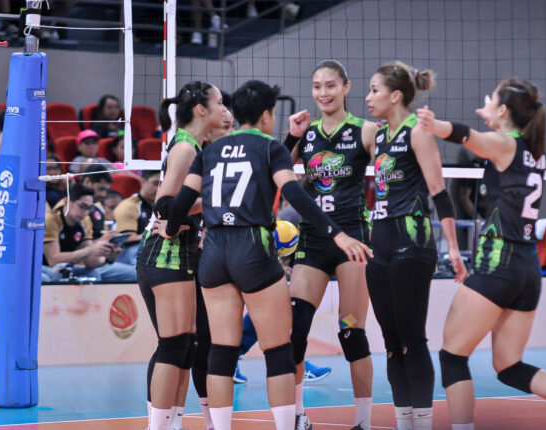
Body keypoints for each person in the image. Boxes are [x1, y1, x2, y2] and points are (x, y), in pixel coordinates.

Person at [156, 79, 371, 430]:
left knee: (221, 351)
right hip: (252, 248)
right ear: (268, 115)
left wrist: (170, 226)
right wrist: (337, 233)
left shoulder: (209, 150)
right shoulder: (271, 147)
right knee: (278, 351)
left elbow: (178, 204)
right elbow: (295, 195)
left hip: (214, 251)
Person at [417, 78, 546, 430]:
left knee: (452, 357)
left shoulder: (505, 145)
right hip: (527, 268)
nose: (487, 103)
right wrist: (493, 117)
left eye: (493, 100)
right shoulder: (533, 150)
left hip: (499, 262)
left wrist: (434, 125)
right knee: (509, 366)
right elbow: (490, 140)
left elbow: (466, 136)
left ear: (505, 110)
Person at [363, 61, 467, 430]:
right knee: (391, 343)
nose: (368, 97)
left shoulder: (418, 132)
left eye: (374, 90)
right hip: (379, 245)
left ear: (395, 96)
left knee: (412, 339)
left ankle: (422, 423)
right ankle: (403, 422)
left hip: (412, 242)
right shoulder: (377, 136)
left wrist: (453, 248)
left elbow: (439, 192)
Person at [281, 59, 377, 430]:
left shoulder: (365, 130)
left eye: (331, 85)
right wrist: (292, 135)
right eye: (318, 86)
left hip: (352, 241)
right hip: (313, 238)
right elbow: (276, 168)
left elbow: (392, 170)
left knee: (351, 331)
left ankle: (363, 422)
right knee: (295, 331)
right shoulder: (306, 133)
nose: (323, 93)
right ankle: (297, 415)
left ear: (346, 87)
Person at [136, 81, 227, 430]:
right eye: (220, 103)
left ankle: (173, 423)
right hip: (165, 256)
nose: (224, 109)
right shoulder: (186, 147)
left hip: (181, 255)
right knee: (173, 346)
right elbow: (164, 204)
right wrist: (213, 203)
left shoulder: (195, 145)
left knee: (186, 346)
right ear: (201, 109)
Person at [41, 184, 121, 282]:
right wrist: (90, 250)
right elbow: (53, 260)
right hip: (40, 266)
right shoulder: (51, 220)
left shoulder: (85, 221)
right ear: (67, 202)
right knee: (53, 276)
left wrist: (108, 258)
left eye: (89, 208)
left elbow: (90, 262)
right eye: (82, 206)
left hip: (64, 267)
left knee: (93, 273)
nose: (86, 213)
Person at [113, 170, 160, 265]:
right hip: (127, 253)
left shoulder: (160, 205)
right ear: (143, 181)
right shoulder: (129, 206)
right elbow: (127, 238)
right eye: (155, 183)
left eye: (162, 184)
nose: (159, 189)